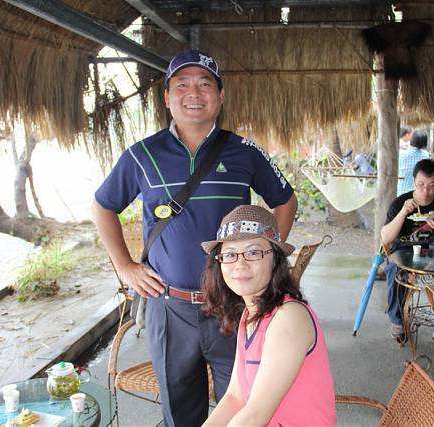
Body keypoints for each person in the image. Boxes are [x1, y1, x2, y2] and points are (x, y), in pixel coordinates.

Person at [92, 50, 297, 426]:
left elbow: (285, 201)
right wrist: (124, 266)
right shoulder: (142, 155)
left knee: (244, 408)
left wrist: (263, 258)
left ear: (220, 96)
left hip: (234, 306)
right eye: (182, 85)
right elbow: (103, 206)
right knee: (180, 412)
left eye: (205, 84)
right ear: (167, 98)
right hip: (169, 306)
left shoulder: (245, 151)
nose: (194, 93)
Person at [201, 205, 336, 427]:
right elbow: (235, 397)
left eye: (253, 252)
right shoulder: (250, 313)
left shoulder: (288, 316)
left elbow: (255, 415)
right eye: (230, 254)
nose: (240, 264)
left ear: (275, 260)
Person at [381, 159, 434, 343]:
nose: (425, 191)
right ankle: (397, 321)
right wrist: (403, 213)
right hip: (405, 252)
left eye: (431, 186)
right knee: (394, 270)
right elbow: (385, 238)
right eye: (421, 185)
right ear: (414, 182)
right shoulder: (401, 203)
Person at [397, 131, 430, 195]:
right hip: (417, 194)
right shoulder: (426, 155)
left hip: (401, 192)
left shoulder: (401, 154)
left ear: (411, 140)